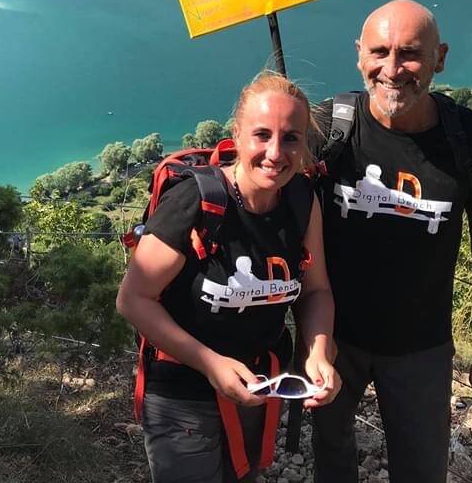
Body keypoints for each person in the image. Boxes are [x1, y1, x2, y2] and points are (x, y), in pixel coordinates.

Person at [311, 0, 472, 483]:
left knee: (422, 469)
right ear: (359, 54)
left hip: (422, 346)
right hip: (332, 340)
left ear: (440, 58)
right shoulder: (327, 128)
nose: (393, 69)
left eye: (410, 54)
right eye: (379, 52)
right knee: (331, 462)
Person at [117, 72, 340, 483]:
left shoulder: (300, 201)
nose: (276, 153)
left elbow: (317, 290)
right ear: (236, 135)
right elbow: (133, 299)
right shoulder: (194, 204)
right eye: (261, 135)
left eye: (291, 138)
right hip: (183, 393)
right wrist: (211, 364)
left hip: (257, 386)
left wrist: (319, 352)